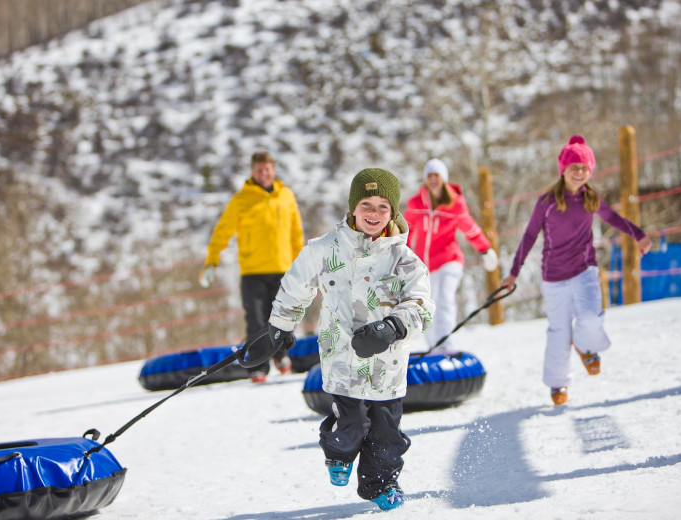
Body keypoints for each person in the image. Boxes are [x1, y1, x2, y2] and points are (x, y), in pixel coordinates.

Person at [266, 168, 434, 511]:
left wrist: (393, 328)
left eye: (383, 207)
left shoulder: (404, 260)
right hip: (342, 357)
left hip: (387, 365)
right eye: (366, 204)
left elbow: (422, 306)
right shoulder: (324, 249)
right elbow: (296, 287)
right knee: (350, 425)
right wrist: (281, 327)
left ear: (394, 213)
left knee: (387, 435)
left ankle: (381, 483)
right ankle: (338, 454)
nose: (374, 213)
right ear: (353, 207)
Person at [500, 135, 652, 406]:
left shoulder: (592, 198)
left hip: (584, 271)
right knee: (559, 332)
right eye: (574, 168)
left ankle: (585, 346)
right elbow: (529, 236)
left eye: (585, 168)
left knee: (591, 318)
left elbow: (613, 218)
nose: (580, 173)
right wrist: (514, 272)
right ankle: (558, 384)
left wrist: (638, 235)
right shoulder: (547, 202)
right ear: (563, 170)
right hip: (554, 277)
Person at [199, 151, 304, 383]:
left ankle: (281, 355)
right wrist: (212, 260)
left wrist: (302, 263)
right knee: (256, 320)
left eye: (267, 169)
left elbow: (296, 233)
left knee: (283, 315)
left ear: (273, 170)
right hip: (253, 270)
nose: (263, 174)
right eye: (259, 170)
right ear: (252, 172)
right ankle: (258, 367)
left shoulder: (286, 196)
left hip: (282, 267)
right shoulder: (241, 199)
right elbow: (223, 230)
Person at [403, 158, 498, 353]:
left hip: (449, 260)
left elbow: (469, 228)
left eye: (436, 175)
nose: (433, 179)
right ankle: (433, 348)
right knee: (426, 305)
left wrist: (485, 250)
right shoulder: (416, 203)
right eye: (429, 175)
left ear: (444, 178)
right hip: (424, 265)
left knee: (445, 299)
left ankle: (446, 344)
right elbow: (406, 230)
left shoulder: (454, 203)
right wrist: (398, 253)